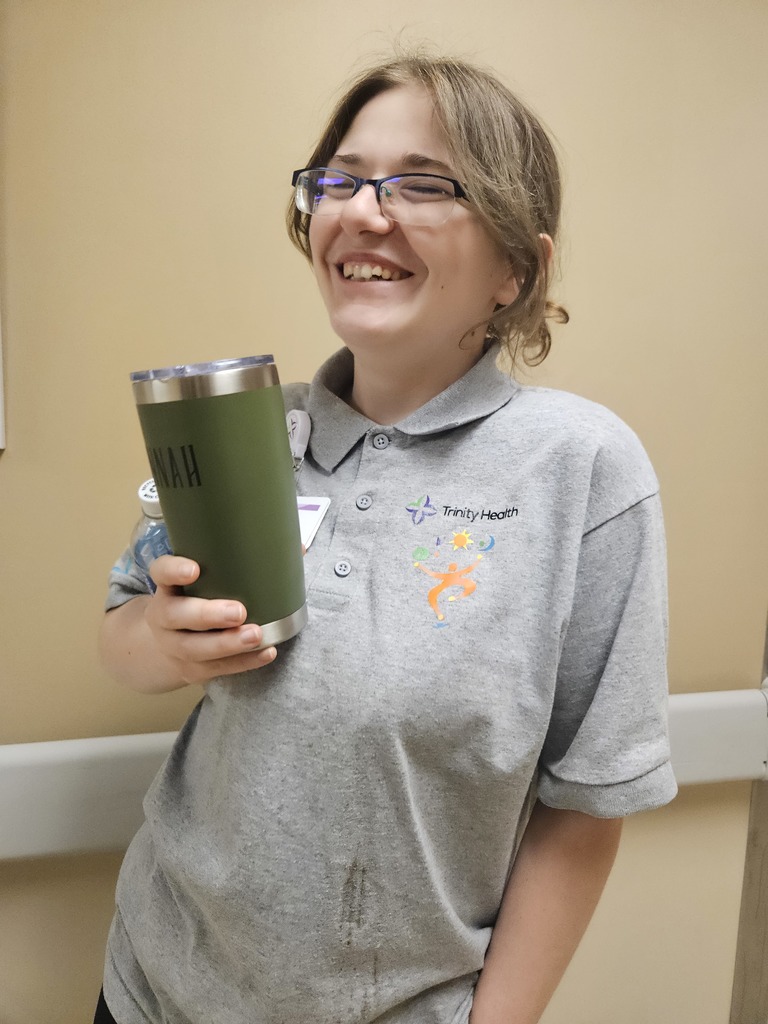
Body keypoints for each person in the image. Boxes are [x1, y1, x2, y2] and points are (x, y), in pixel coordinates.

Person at [96, 52, 677, 1024]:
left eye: (421, 183)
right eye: (340, 178)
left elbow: (584, 806)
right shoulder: (249, 431)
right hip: (155, 987)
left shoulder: (582, 469)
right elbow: (123, 629)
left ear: (513, 269)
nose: (363, 211)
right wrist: (157, 639)